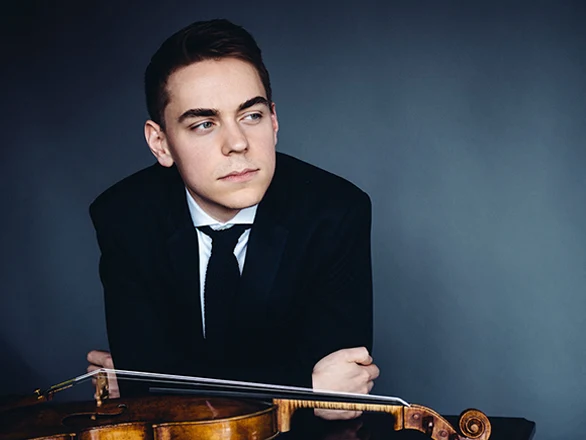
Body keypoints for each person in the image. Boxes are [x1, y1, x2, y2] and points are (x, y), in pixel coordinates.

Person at [87, 19, 378, 420]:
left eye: (251, 115)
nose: (238, 142)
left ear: (274, 122)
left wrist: (163, 380)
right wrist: (304, 386)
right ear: (161, 143)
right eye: (204, 124)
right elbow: (145, 391)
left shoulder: (335, 210)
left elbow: (340, 398)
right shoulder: (124, 216)